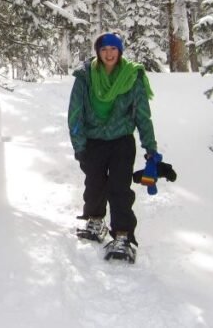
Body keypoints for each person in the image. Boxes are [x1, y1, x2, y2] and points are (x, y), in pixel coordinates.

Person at [67, 32, 157, 262]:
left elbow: (143, 115)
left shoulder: (131, 76)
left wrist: (150, 146)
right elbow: (75, 112)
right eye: (104, 49)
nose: (109, 54)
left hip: (121, 141)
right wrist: (79, 145)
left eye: (113, 49)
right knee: (95, 184)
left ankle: (123, 236)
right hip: (93, 141)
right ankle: (96, 221)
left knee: (119, 189)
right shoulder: (85, 76)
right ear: (98, 52)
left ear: (120, 51)